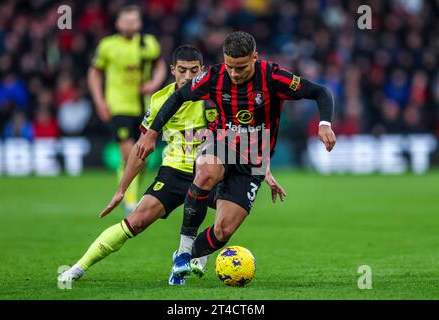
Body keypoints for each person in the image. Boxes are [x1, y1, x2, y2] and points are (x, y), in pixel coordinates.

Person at [58, 45, 286, 285]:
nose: (188, 77)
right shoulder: (160, 100)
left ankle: (191, 256)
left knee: (225, 224)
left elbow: (246, 135)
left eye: (194, 71)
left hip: (215, 171)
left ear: (202, 71)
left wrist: (264, 171)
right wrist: (122, 189)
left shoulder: (216, 94)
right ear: (172, 70)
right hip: (174, 171)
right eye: (182, 70)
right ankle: (78, 268)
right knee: (136, 221)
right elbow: (142, 147)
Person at [137, 31, 336, 285]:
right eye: (230, 66)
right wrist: (152, 132)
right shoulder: (214, 77)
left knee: (222, 231)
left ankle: (186, 257)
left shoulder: (272, 76)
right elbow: (178, 97)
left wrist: (324, 123)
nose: (235, 73)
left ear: (254, 57)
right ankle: (185, 249)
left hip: (254, 159)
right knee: (206, 173)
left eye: (241, 67)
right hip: (221, 143)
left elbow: (320, 92)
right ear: (224, 59)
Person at [88, 5, 167, 214]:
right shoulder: (108, 46)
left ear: (140, 23)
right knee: (128, 153)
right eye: (126, 21)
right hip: (119, 105)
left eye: (134, 21)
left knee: (144, 156)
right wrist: (99, 101)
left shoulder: (149, 43)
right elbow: (94, 73)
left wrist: (154, 83)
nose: (130, 24)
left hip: (145, 106)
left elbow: (161, 66)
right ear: (118, 23)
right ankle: (130, 201)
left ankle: (130, 193)